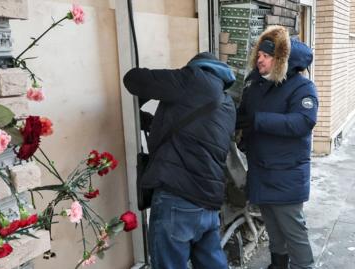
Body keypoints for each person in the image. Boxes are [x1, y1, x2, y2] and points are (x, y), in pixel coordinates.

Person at [123, 52, 236, 269]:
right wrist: (152, 122)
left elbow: (134, 79)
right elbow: (194, 136)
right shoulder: (227, 103)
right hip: (209, 206)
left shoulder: (193, 78)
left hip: (177, 200)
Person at [236, 25, 318, 269]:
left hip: (286, 173)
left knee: (293, 230)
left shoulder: (302, 87)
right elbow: (244, 114)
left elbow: (304, 121)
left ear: (280, 59)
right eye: (259, 54)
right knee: (273, 227)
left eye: (266, 55)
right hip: (261, 169)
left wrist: (258, 120)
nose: (259, 59)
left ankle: (305, 266)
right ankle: (278, 265)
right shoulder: (256, 84)